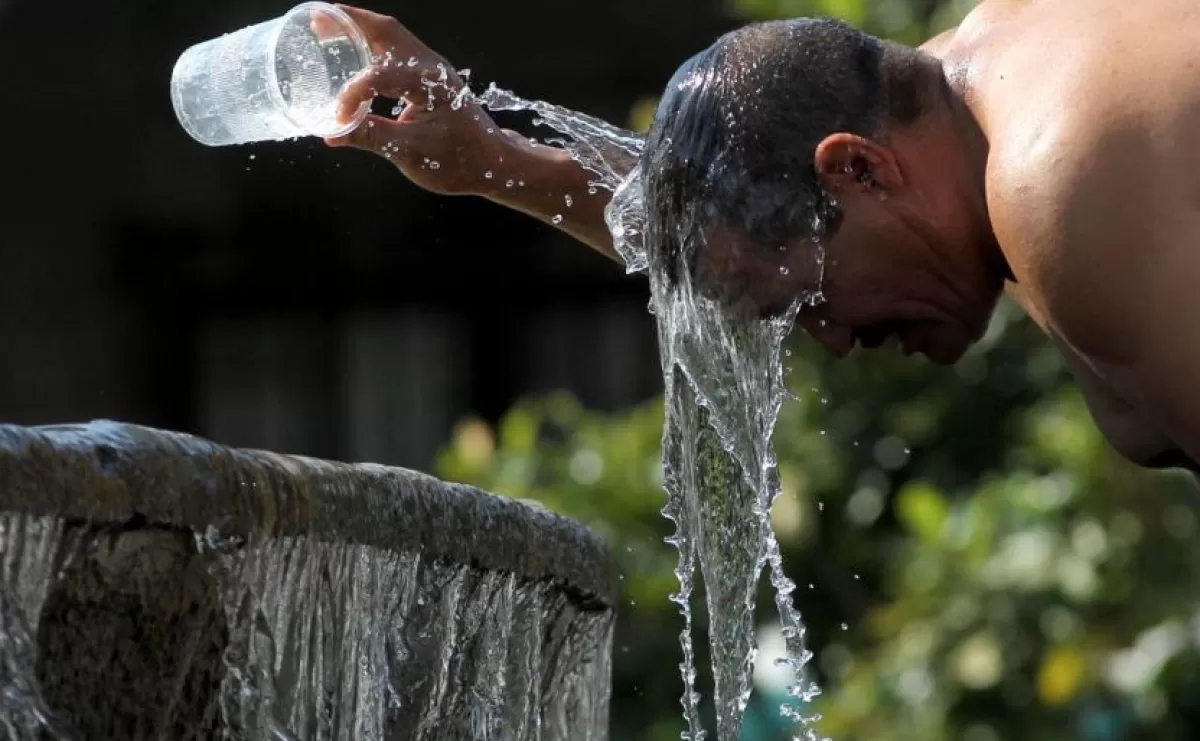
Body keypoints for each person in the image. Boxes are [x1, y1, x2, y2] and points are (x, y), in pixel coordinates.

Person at [322, 2, 1200, 472]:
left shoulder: (1063, 186)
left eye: (810, 300)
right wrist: (487, 158)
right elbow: (733, 217)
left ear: (858, 168)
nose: (835, 340)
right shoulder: (968, 95)